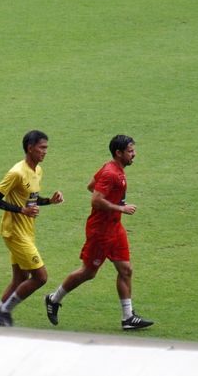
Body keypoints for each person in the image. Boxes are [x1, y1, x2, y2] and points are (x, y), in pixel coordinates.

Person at [44, 135, 153, 330]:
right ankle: (53, 299)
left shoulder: (110, 168)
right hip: (100, 231)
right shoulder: (111, 173)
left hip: (115, 228)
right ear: (119, 153)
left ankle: (128, 317)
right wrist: (120, 208)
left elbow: (91, 186)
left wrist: (114, 203)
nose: (134, 154)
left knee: (126, 269)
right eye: (130, 151)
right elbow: (95, 199)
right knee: (88, 272)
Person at [0, 130, 63, 327]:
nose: (45, 152)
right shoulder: (16, 172)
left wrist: (49, 201)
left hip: (27, 231)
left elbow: (31, 199)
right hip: (14, 232)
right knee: (40, 277)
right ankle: (4, 311)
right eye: (42, 148)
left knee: (20, 278)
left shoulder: (37, 171)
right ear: (30, 148)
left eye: (46, 148)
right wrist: (21, 210)